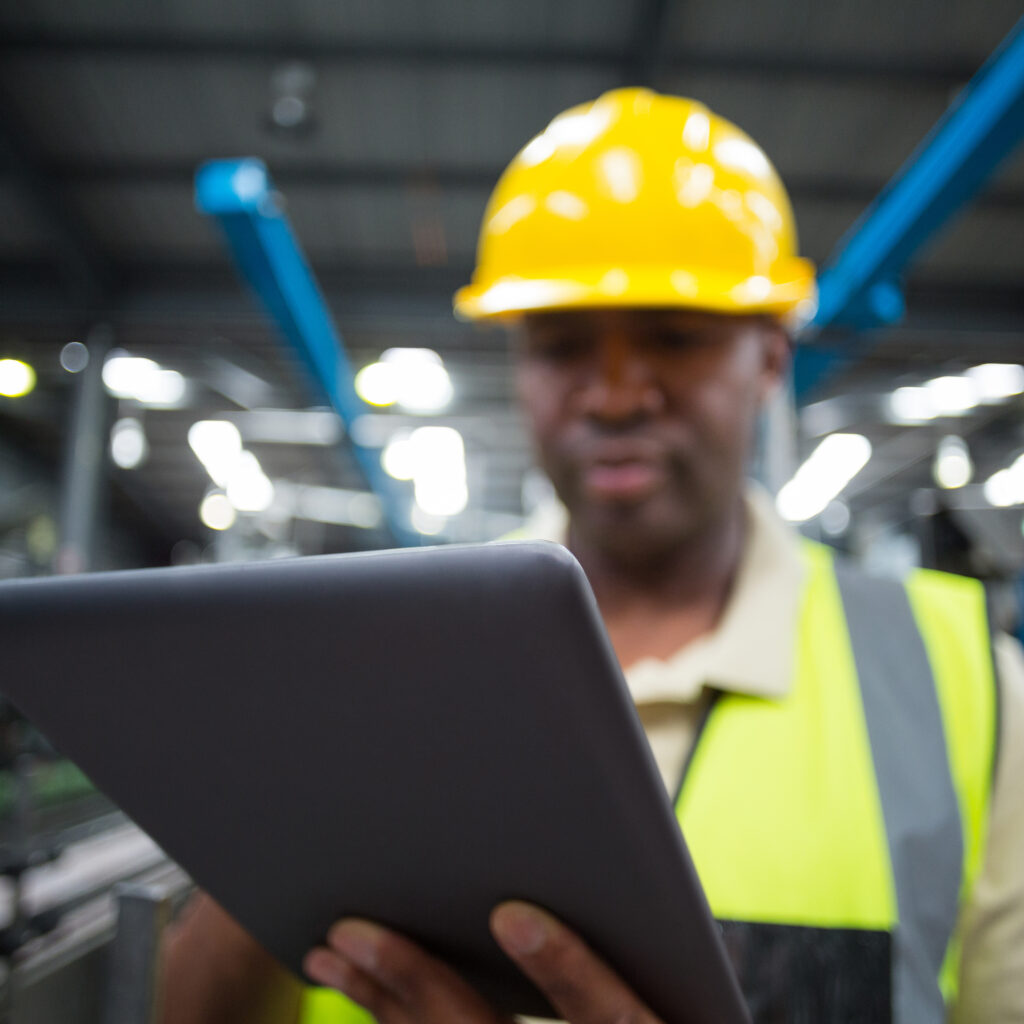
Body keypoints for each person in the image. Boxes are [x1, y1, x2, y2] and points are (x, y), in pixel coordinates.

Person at [161, 89, 1024, 1024]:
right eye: (564, 343)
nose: (613, 394)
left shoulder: (962, 688)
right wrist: (259, 840)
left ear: (771, 357)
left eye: (674, 337)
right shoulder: (389, 656)